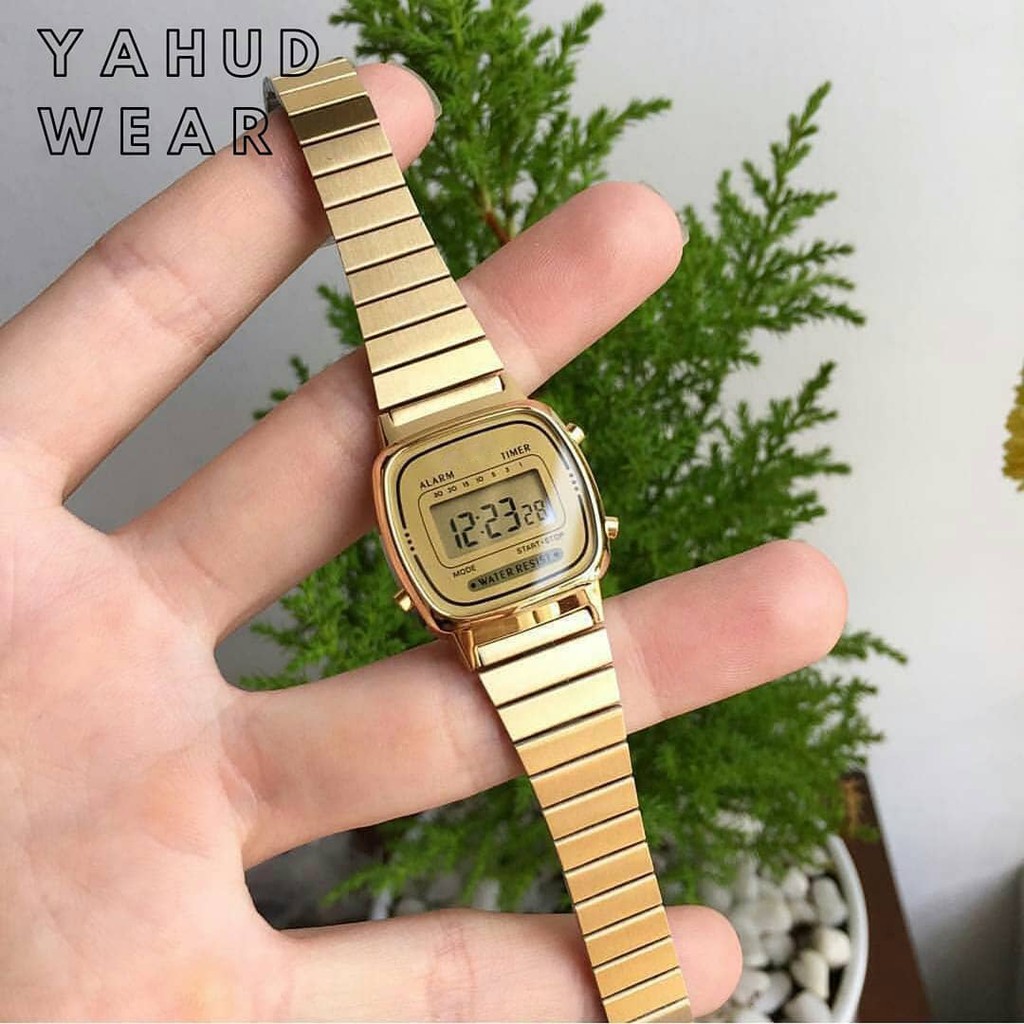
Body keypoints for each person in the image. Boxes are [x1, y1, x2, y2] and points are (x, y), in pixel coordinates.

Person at [0, 63, 847, 1019]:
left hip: (552, 597)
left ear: (573, 481)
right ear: (414, 578)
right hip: (520, 610)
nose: (486, 519)